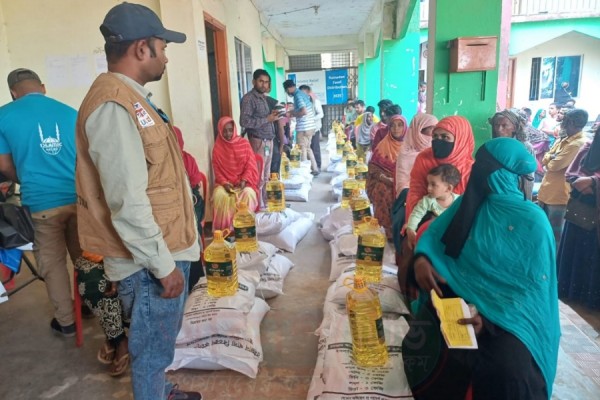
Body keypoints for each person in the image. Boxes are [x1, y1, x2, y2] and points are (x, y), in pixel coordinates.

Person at [75, 3, 201, 399]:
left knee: (158, 344)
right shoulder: (113, 105)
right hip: (147, 260)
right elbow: (126, 201)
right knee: (149, 351)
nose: (165, 56)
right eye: (163, 47)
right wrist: (164, 267)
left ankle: (159, 391)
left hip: (158, 248)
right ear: (142, 49)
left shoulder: (133, 99)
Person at [403, 138, 560, 400]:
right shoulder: (469, 205)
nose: (477, 172)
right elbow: (433, 242)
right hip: (466, 297)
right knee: (430, 340)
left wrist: (488, 321)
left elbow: (534, 290)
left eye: (485, 168)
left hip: (514, 316)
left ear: (505, 176)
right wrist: (422, 261)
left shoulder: (533, 221)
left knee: (510, 371)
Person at [0, 68, 82, 337]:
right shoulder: (70, 112)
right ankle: (90, 305)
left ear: (13, 92)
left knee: (53, 264)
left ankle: (67, 321)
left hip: (41, 205)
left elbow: (5, 166)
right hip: (77, 199)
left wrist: (27, 178)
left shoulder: (3, 116)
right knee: (83, 257)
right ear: (43, 87)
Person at [557, 126, 600, 309]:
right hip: (582, 212)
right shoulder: (587, 148)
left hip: (595, 215)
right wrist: (582, 183)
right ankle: (574, 294)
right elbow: (571, 175)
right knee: (577, 254)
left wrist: (593, 182)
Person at [538, 109, 588, 246]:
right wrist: (550, 158)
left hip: (559, 196)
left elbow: (554, 165)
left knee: (556, 237)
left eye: (564, 120)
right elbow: (546, 158)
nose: (562, 123)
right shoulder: (565, 139)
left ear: (571, 122)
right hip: (547, 192)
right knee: (545, 233)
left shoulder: (577, 144)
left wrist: (550, 159)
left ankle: (555, 265)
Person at [75, 251, 130, 376]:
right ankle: (118, 339)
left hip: (135, 252)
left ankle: (113, 337)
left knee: (134, 280)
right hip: (100, 251)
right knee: (94, 281)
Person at [212, 116, 259, 231]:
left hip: (244, 183)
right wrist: (224, 183)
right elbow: (217, 170)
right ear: (220, 131)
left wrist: (244, 180)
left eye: (230, 130)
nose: (228, 134)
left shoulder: (244, 144)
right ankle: (225, 231)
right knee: (219, 195)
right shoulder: (217, 148)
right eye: (225, 131)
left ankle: (244, 228)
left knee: (248, 194)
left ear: (234, 130)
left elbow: (250, 165)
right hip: (226, 184)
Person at [240, 69, 280, 206]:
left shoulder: (263, 97)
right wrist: (266, 119)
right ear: (254, 82)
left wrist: (272, 116)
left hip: (268, 141)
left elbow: (265, 118)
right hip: (258, 141)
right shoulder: (248, 98)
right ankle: (257, 205)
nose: (264, 85)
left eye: (266, 82)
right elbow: (244, 122)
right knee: (258, 176)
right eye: (261, 81)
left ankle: (265, 203)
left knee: (266, 175)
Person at [173, 126, 205, 291]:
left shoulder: (188, 159)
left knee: (191, 227)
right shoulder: (162, 163)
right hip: (172, 205)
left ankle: (195, 278)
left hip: (191, 199)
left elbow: (195, 182)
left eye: (176, 141)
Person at [366, 115, 408, 239]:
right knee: (381, 189)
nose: (396, 129)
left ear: (405, 127)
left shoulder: (410, 146)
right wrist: (385, 178)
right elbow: (373, 168)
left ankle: (400, 232)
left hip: (404, 182)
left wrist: (400, 182)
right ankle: (384, 230)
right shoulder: (383, 145)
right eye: (393, 125)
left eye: (400, 125)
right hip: (385, 180)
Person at [405, 164, 460, 250]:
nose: (428, 188)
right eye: (428, 184)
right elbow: (416, 214)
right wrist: (410, 229)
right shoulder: (428, 201)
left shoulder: (458, 201)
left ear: (448, 188)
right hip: (431, 235)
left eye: (433, 185)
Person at [489, 109, 535, 200]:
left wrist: (526, 201)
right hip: (496, 193)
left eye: (504, 125)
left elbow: (528, 178)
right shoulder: (493, 146)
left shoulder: (524, 147)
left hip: (517, 192)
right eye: (496, 125)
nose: (499, 129)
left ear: (514, 127)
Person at [395, 113, 438, 197]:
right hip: (411, 198)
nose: (434, 134)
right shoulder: (406, 153)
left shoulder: (436, 150)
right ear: (419, 129)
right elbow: (402, 184)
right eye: (432, 129)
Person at [283, 79, 319, 175]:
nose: (287, 93)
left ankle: (304, 173)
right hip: (310, 126)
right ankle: (314, 169)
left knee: (301, 149)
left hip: (304, 127)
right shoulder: (302, 94)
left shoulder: (298, 95)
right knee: (307, 148)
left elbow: (303, 112)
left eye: (286, 91)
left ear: (289, 88)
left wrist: (291, 113)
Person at [300, 85, 324, 171]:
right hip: (304, 129)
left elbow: (321, 114)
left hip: (314, 128)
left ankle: (318, 166)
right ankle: (310, 168)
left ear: (308, 93)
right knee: (306, 148)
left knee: (314, 147)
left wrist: (311, 118)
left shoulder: (315, 101)